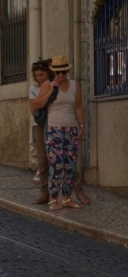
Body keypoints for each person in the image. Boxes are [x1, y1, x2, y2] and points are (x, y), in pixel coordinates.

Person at [33, 55, 86, 211]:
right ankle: (53, 198)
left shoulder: (75, 85)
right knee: (56, 165)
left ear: (67, 71)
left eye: (64, 72)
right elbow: (37, 104)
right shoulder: (47, 85)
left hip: (71, 129)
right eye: (58, 72)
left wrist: (81, 125)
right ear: (53, 72)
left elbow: (78, 107)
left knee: (70, 165)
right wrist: (50, 91)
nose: (61, 75)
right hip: (53, 129)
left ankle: (67, 197)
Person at [28, 59, 53, 205]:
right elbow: (33, 109)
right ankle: (44, 194)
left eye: (42, 74)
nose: (40, 78)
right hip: (39, 125)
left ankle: (69, 193)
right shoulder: (33, 88)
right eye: (37, 75)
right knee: (43, 161)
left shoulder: (54, 85)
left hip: (55, 124)